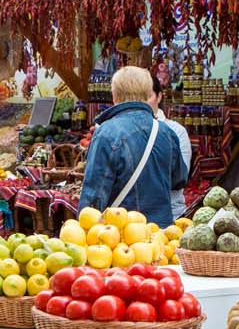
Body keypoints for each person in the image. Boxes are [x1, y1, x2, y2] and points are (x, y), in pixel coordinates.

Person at [79, 65, 187, 226]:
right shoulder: (166, 132)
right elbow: (179, 179)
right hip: (160, 234)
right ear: (147, 94)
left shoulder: (106, 133)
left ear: (114, 96)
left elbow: (93, 198)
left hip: (120, 236)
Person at [149, 72, 193, 179]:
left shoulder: (177, 131)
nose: (140, 102)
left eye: (147, 96)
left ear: (159, 96)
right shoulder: (123, 131)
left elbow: (180, 177)